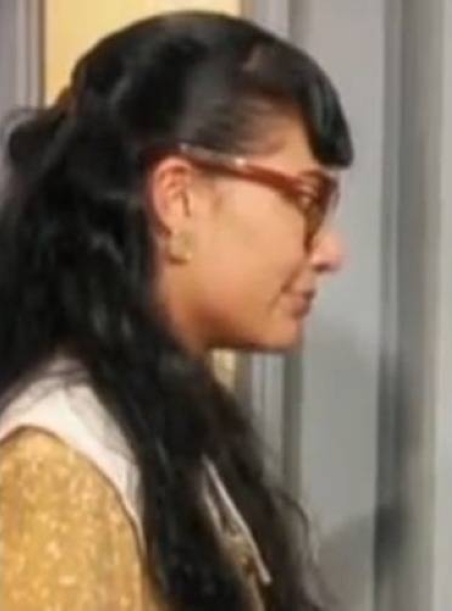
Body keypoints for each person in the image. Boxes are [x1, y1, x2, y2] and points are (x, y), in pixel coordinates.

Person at [0, 11, 353, 610]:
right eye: (306, 198)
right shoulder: (59, 467)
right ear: (179, 197)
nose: (330, 251)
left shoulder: (166, 429)